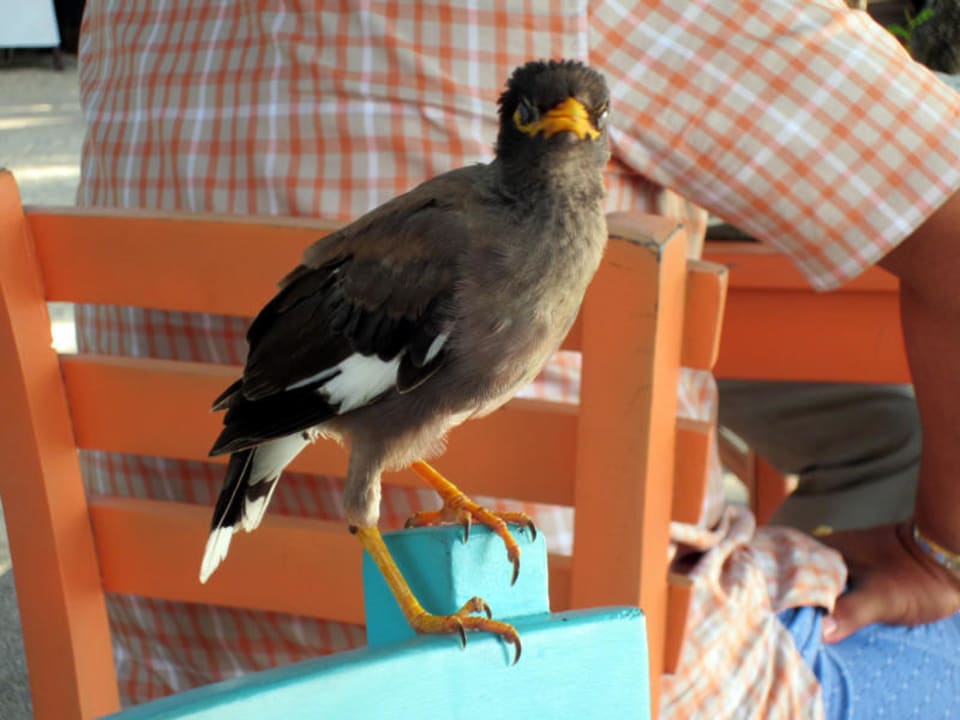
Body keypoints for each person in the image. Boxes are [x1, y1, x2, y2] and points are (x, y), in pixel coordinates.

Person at [74, 0, 960, 716]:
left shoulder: (128, 14)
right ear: (514, 129)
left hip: (183, 685)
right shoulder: (474, 234)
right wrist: (940, 556)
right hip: (541, 683)